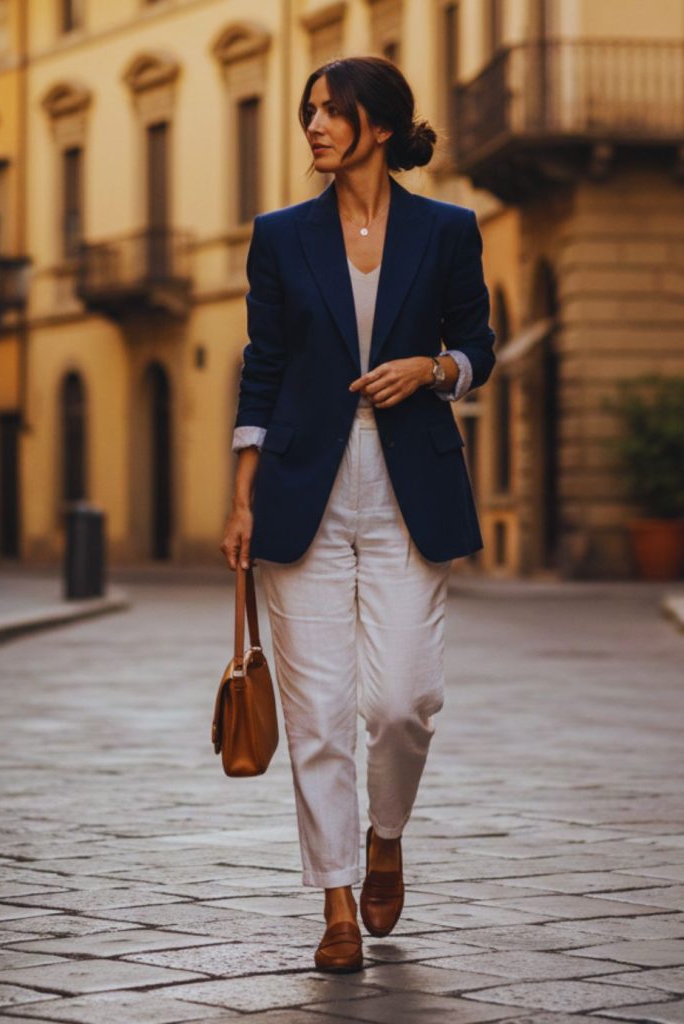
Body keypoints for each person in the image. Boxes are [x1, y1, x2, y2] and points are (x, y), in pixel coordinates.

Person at [220, 55, 495, 973]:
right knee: (320, 711)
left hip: (410, 485)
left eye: (330, 112)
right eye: (308, 113)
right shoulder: (281, 234)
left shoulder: (449, 230)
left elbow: (478, 348)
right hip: (302, 490)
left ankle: (386, 834)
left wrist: (433, 370)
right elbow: (260, 364)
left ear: (378, 125)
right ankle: (336, 901)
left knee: (404, 700)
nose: (313, 127)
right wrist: (242, 493)